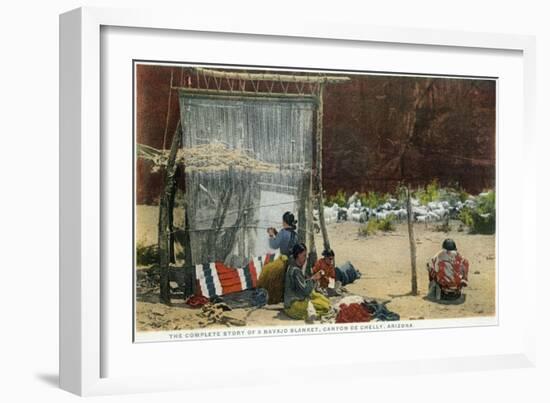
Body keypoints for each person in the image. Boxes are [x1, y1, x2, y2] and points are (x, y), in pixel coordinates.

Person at [284, 243, 331, 322]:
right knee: (323, 306)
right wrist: (314, 279)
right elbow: (305, 291)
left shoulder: (294, 267)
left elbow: (300, 284)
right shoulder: (295, 270)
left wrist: (313, 278)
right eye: (304, 256)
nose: (305, 258)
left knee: (324, 301)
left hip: (298, 299)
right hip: (293, 305)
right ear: (298, 255)